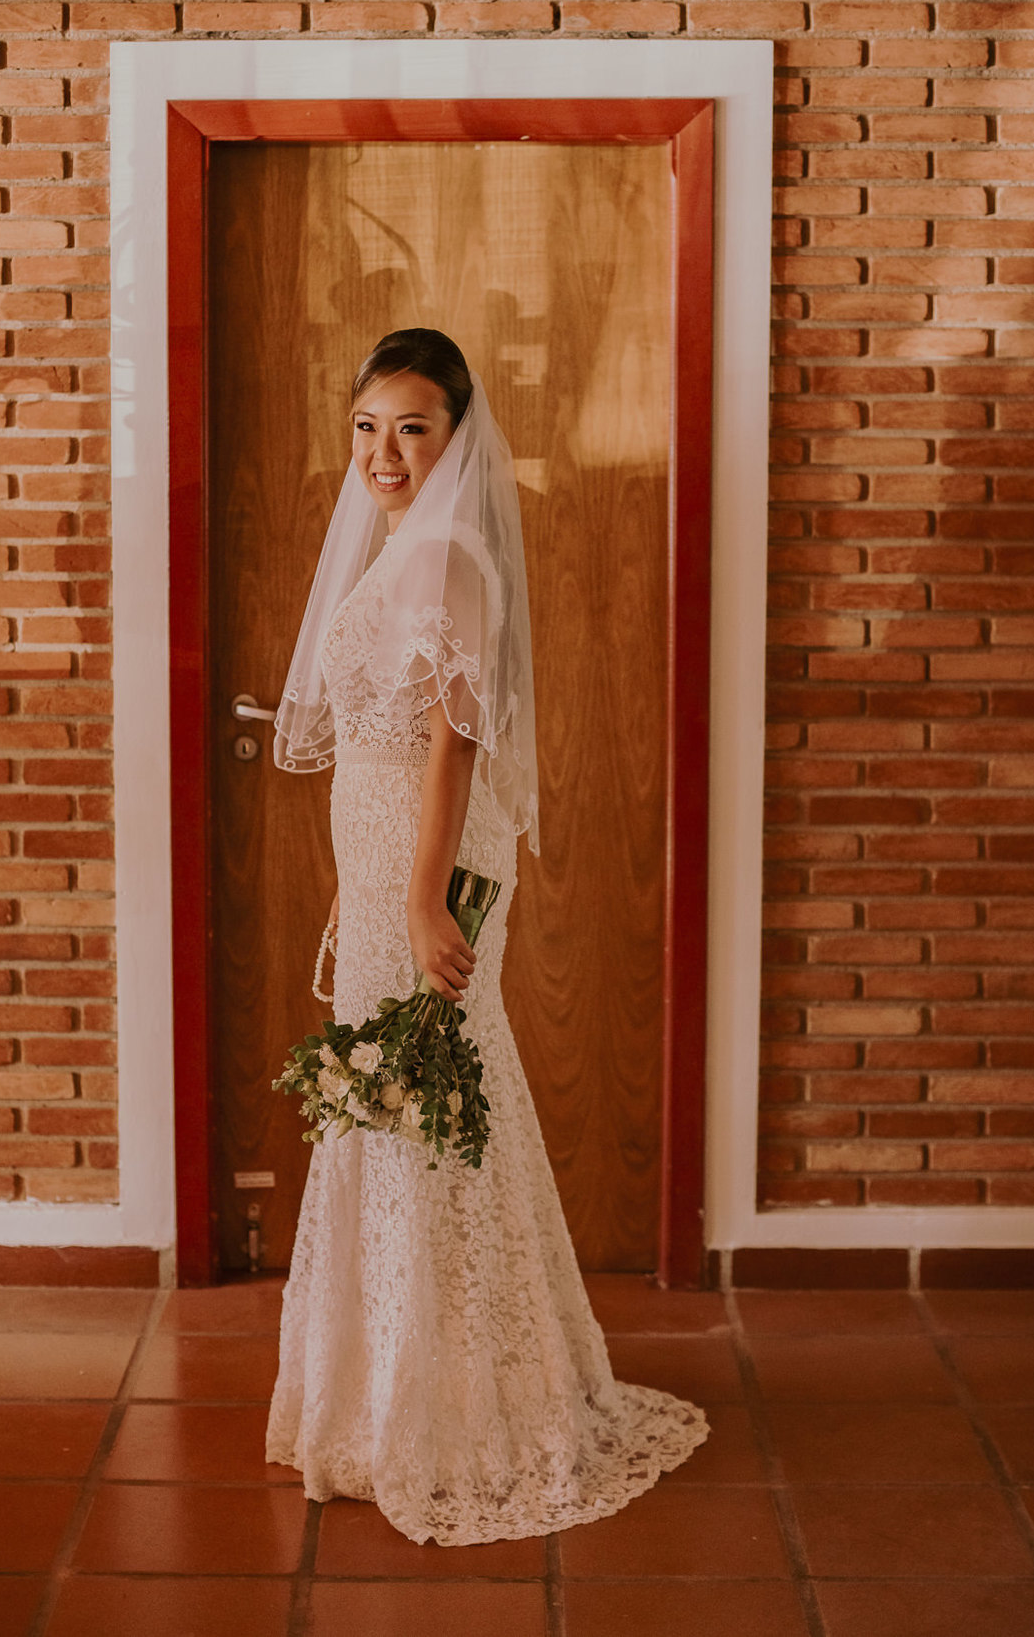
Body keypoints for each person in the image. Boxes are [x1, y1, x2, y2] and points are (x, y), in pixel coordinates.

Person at [267, 328, 708, 1545]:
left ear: (456, 436)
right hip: (376, 871)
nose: (384, 452)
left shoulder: (455, 556)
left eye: (412, 427)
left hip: (429, 869)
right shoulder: (393, 546)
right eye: (367, 426)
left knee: (431, 1109)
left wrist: (419, 898)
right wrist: (363, 890)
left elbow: (452, 746)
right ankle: (378, 1394)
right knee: (385, 1110)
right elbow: (368, 742)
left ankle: (453, 1407)